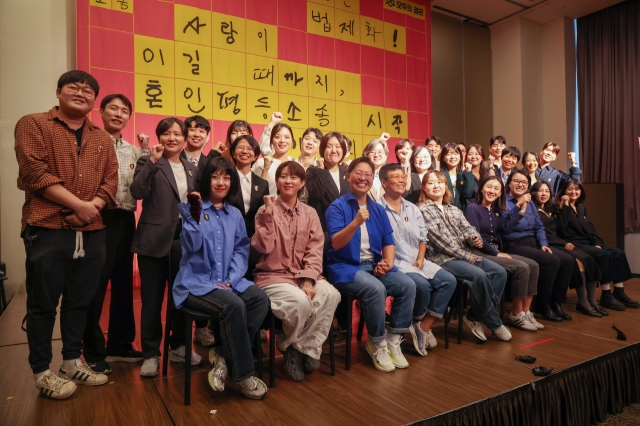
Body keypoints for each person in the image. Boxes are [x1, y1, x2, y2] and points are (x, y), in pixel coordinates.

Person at [15, 70, 117, 399]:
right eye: (74, 87)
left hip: (93, 232)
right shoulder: (34, 124)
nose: (81, 93)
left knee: (80, 302)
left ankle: (72, 362)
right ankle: (41, 371)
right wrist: (80, 205)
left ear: (94, 101)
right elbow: (33, 172)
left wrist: (93, 207)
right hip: (47, 227)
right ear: (58, 91)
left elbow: (111, 179)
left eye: (89, 91)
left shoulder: (101, 138)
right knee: (42, 304)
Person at [172, 157, 269, 399]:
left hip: (226, 282)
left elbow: (240, 250)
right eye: (215, 177)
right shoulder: (194, 207)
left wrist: (232, 279)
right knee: (233, 305)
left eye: (226, 177)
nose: (221, 182)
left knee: (259, 299)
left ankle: (224, 357)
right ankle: (245, 375)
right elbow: (192, 247)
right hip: (197, 284)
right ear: (206, 180)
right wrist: (193, 217)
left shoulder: (234, 214)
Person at [252, 161, 340, 382]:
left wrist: (310, 279)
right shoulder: (265, 210)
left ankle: (300, 348)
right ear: (277, 181)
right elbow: (263, 247)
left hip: (302, 275)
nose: (287, 181)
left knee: (331, 294)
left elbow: (315, 250)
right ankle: (289, 344)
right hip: (273, 276)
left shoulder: (310, 213)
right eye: (283, 176)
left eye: (293, 177)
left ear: (302, 183)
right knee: (300, 302)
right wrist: (269, 214)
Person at [326, 157, 417, 372]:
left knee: (407, 285)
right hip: (345, 267)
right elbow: (336, 243)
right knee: (376, 289)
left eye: (368, 174)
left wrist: (388, 262)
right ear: (348, 176)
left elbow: (388, 241)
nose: (363, 178)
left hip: (374, 265)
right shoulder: (337, 207)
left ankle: (394, 341)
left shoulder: (377, 209)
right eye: (358, 173)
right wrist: (355, 223)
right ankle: (377, 343)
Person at [130, 117, 201, 377]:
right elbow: (136, 191)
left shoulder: (192, 168)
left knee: (182, 298)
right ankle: (150, 354)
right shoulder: (148, 161)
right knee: (151, 300)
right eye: (167, 133)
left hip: (185, 241)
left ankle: (179, 346)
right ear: (159, 137)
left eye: (177, 134)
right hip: (153, 240)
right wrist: (150, 161)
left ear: (184, 139)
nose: (172, 138)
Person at [83, 94, 148, 375]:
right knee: (95, 286)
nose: (119, 114)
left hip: (125, 219)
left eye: (125, 111)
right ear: (101, 112)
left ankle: (120, 344)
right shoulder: (89, 143)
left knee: (122, 283)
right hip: (97, 218)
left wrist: (146, 154)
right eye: (114, 108)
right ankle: (92, 350)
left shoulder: (134, 152)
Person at [417, 171, 511, 342]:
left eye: (439, 182)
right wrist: (468, 256)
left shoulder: (453, 209)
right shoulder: (422, 210)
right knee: (479, 275)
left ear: (446, 186)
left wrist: (473, 237)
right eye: (430, 183)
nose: (436, 186)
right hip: (442, 259)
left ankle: (475, 315)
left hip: (464, 255)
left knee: (499, 272)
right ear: (424, 187)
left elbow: (468, 229)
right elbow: (440, 242)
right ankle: (494, 323)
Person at [379, 164, 457, 355]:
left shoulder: (413, 209)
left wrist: (421, 259)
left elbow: (423, 238)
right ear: (383, 182)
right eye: (395, 177)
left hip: (417, 260)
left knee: (448, 281)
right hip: (395, 262)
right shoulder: (377, 209)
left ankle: (422, 327)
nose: (401, 180)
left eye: (403, 177)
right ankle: (412, 325)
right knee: (422, 285)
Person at [465, 177, 542, 331]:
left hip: (495, 252)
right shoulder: (472, 208)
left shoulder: (494, 211)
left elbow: (506, 229)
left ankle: (526, 312)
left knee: (533, 265)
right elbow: (475, 236)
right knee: (521, 267)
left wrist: (519, 212)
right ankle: (516, 313)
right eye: (489, 187)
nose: (492, 191)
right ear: (481, 188)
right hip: (480, 252)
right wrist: (496, 253)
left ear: (500, 193)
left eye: (496, 189)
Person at [499, 171, 574, 322]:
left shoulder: (530, 202)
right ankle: (542, 306)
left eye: (524, 183)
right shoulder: (503, 202)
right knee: (551, 261)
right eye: (517, 181)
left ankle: (556, 303)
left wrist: (544, 244)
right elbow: (505, 227)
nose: (521, 185)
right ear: (509, 184)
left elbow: (539, 226)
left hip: (533, 242)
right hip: (514, 244)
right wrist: (518, 206)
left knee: (567, 260)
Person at [557, 179, 639, 310]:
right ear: (564, 191)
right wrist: (564, 206)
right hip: (574, 243)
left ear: (581, 191)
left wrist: (597, 242)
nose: (573, 191)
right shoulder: (560, 207)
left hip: (589, 242)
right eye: (570, 189)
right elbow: (561, 229)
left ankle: (619, 291)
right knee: (603, 255)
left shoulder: (581, 207)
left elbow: (591, 228)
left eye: (576, 189)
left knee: (618, 253)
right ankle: (606, 294)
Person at [531, 181, 603, 317]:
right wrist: (563, 243)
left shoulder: (552, 208)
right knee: (575, 262)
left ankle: (591, 301)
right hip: (546, 243)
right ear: (534, 193)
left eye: (547, 191)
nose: (544, 194)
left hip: (559, 241)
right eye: (541, 191)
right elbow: (541, 233)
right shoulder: (532, 209)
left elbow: (561, 228)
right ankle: (581, 302)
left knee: (589, 259)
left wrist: (564, 208)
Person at [228, 135, 269, 278]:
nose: (245, 151)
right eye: (240, 147)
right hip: (227, 240)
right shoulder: (225, 178)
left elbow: (263, 216)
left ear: (255, 156)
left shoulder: (262, 184)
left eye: (250, 148)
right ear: (233, 153)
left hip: (252, 244)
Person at [306, 132, 351, 232]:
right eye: (329, 146)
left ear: (343, 150)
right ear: (322, 150)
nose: (334, 150)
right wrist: (321, 170)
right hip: (322, 231)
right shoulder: (313, 171)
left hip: (347, 229)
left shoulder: (348, 173)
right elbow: (316, 194)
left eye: (338, 146)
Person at [253, 122, 295, 196]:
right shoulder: (262, 163)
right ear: (271, 141)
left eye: (287, 137)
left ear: (292, 141)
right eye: (277, 137)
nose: (282, 140)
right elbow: (255, 191)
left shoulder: (296, 164)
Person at [459, 144, 494, 208]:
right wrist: (468, 172)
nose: (473, 156)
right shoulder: (462, 175)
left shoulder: (486, 174)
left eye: (477, 154)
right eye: (470, 154)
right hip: (470, 209)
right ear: (466, 157)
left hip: (487, 208)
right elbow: (467, 194)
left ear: (482, 157)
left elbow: (494, 185)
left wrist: (491, 166)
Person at [439, 142, 470, 210]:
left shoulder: (463, 175)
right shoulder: (440, 175)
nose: (453, 157)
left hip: (461, 213)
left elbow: (468, 193)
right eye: (449, 154)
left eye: (456, 154)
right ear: (443, 158)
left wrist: (468, 173)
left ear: (460, 157)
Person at [363, 133, 391, 201]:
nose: (376, 155)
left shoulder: (391, 175)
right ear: (367, 155)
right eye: (372, 152)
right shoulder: (362, 175)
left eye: (380, 152)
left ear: (386, 156)